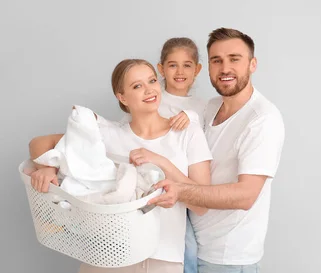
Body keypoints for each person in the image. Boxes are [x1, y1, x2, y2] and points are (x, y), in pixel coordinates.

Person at [28, 59, 212, 273]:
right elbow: (37, 143)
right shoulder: (108, 133)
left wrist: (162, 162)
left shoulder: (187, 133)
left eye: (152, 81)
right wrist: (49, 167)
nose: (149, 90)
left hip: (163, 256)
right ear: (122, 97)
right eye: (137, 86)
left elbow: (202, 204)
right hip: (107, 254)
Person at [149, 27, 285, 273]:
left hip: (227, 258)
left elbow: (246, 196)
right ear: (208, 67)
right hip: (189, 246)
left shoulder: (262, 119)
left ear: (252, 64)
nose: (225, 69)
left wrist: (179, 190)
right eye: (217, 60)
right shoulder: (208, 109)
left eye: (234, 59)